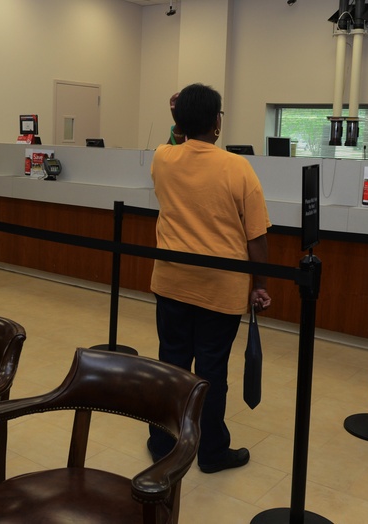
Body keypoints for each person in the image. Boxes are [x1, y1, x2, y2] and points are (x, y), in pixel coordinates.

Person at [146, 84, 272, 474]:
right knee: (212, 372)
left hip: (171, 282)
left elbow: (174, 142)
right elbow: (256, 235)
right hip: (221, 289)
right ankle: (212, 451)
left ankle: (163, 441)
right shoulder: (237, 167)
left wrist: (178, 121)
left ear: (179, 122)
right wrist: (261, 284)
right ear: (217, 123)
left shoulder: (162, 158)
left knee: (172, 363)